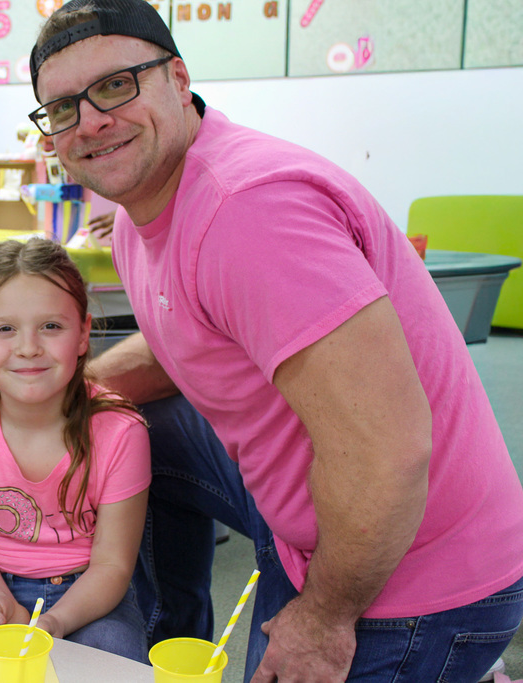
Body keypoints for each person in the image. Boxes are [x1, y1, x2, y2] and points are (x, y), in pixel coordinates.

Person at [29, 1, 523, 681]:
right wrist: (54, 401)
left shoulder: (248, 212)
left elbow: (390, 451)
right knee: (130, 424)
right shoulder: (143, 216)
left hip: (411, 576)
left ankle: (458, 662)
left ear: (177, 78)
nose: (89, 121)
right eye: (62, 109)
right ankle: (170, 640)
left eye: (116, 85)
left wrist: (322, 618)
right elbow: (181, 345)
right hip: (303, 509)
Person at [0, 238, 151, 662]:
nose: (28, 347)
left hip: (90, 596)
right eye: (5, 328)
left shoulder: (123, 433)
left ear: (83, 333)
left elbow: (112, 566)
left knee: (113, 655)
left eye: (51, 326)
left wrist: (57, 621)